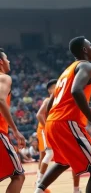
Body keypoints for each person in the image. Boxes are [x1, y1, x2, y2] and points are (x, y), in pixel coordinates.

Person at [35, 36, 91, 193]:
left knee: (63, 162)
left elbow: (52, 101)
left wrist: (52, 122)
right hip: (66, 122)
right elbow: (76, 91)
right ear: (84, 50)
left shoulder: (66, 71)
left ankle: (38, 190)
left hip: (52, 122)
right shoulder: (87, 66)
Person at [36, 79, 82, 193]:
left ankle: (40, 184)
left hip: (60, 130)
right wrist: (46, 127)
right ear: (50, 90)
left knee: (70, 158)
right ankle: (39, 182)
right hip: (47, 129)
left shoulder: (61, 99)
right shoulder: (48, 100)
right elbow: (39, 115)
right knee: (49, 154)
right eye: (56, 86)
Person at [0, 48, 26, 193]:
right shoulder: (4, 77)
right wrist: (15, 131)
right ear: (0, 62)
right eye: (7, 58)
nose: (9, 61)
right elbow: (0, 100)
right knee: (18, 176)